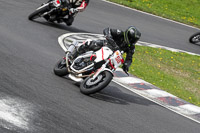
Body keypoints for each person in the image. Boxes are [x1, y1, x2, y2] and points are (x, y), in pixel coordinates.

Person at [77, 26, 141, 73]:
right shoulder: (120, 33)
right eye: (131, 38)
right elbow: (107, 30)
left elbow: (129, 58)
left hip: (112, 55)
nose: (132, 41)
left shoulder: (131, 47)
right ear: (128, 35)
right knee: (91, 44)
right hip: (105, 45)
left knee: (110, 67)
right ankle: (74, 54)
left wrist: (126, 65)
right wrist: (108, 36)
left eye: (135, 40)